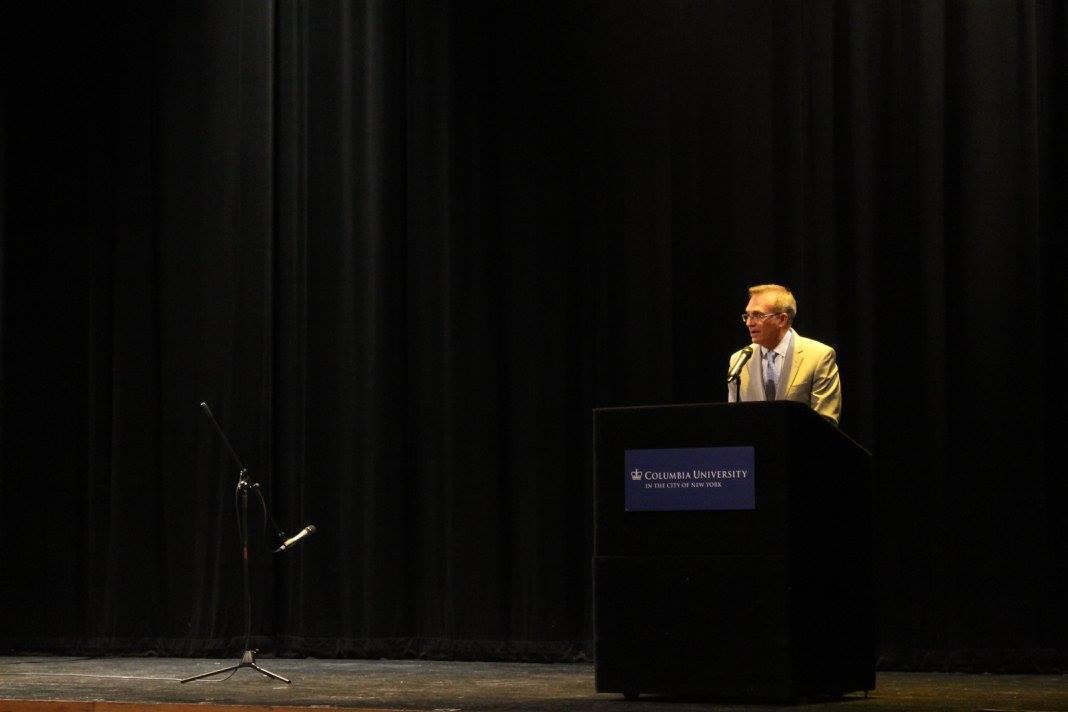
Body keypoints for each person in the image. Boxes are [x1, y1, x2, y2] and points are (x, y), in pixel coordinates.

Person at [727, 284, 841, 425]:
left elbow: (826, 422)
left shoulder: (819, 356)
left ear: (782, 319)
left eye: (757, 315)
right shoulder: (739, 360)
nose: (749, 323)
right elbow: (732, 419)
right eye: (747, 316)